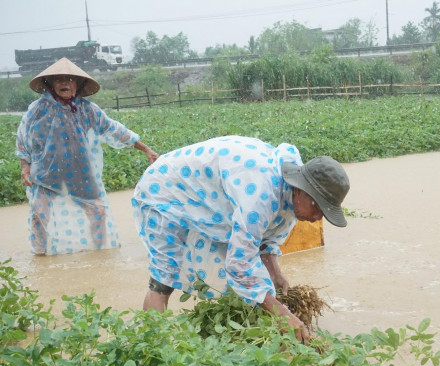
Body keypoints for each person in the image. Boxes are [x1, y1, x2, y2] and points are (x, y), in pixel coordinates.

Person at [132, 135, 350, 343]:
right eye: (318, 207)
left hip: (207, 198)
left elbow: (263, 240)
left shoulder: (290, 193)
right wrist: (282, 313)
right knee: (164, 280)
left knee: (250, 286)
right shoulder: (261, 194)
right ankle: (153, 344)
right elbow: (239, 264)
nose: (318, 218)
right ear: (302, 191)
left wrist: (275, 273)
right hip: (164, 190)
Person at [16, 57, 159, 256]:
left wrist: (145, 149)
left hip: (80, 174)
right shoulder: (37, 110)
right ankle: (40, 256)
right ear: (50, 84)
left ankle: (101, 253)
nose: (64, 83)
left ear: (78, 84)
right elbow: (24, 139)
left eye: (69, 79)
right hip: (46, 174)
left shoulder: (87, 110)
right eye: (58, 79)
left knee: (98, 211)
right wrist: (25, 167)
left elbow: (114, 130)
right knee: (39, 215)